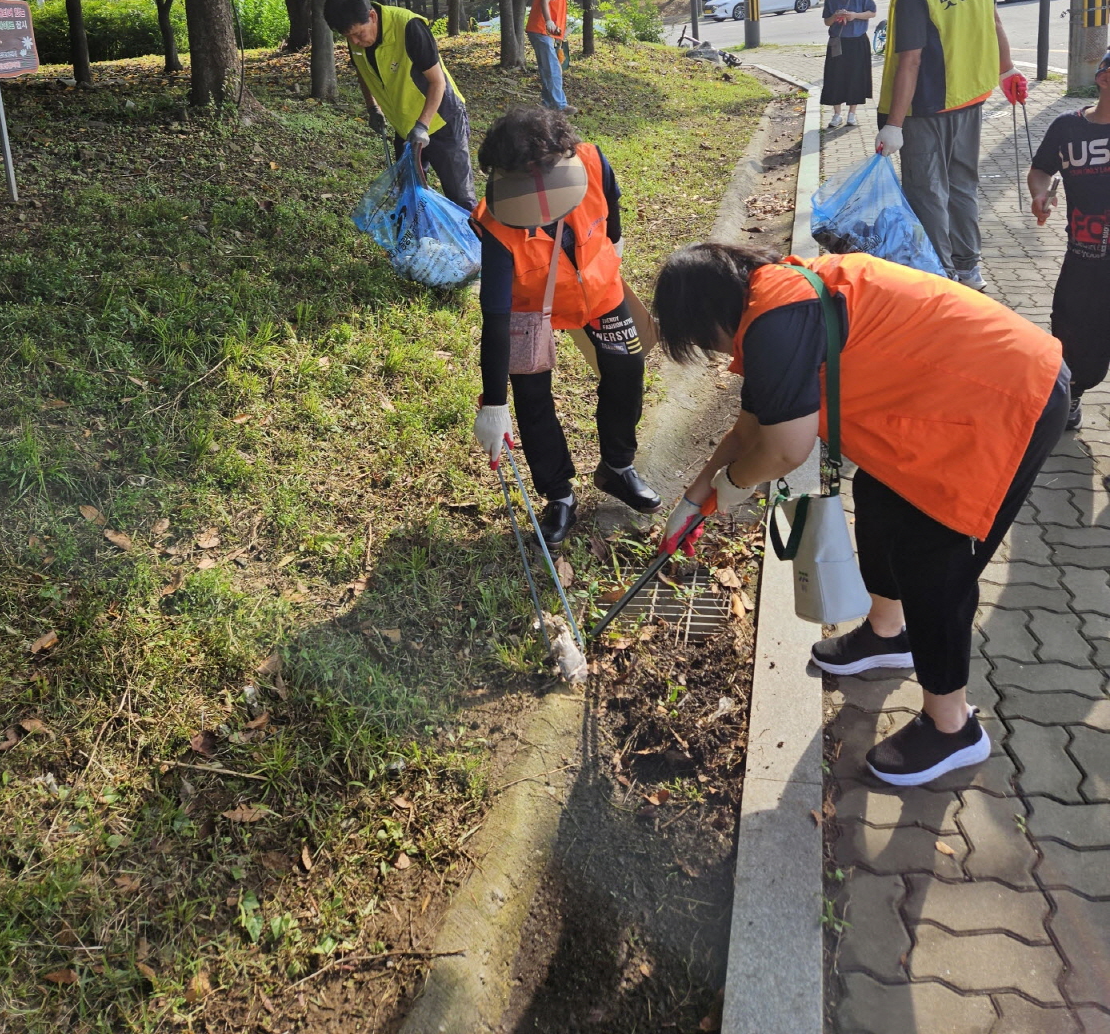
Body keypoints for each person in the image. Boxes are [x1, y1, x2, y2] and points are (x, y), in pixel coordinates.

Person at [650, 242, 1068, 787]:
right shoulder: (772, 302)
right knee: (877, 502)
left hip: (1007, 401)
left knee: (935, 566)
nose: (713, 353)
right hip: (936, 408)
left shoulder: (776, 321)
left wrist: (731, 486)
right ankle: (890, 633)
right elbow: (749, 431)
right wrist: (692, 502)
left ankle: (953, 729)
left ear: (709, 318)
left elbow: (784, 449)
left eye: (703, 342)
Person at [471, 106, 659, 547]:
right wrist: (494, 404)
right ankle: (558, 493)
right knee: (533, 399)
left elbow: (610, 201)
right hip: (528, 306)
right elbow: (495, 317)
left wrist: (615, 238)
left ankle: (617, 466)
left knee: (627, 373)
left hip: (598, 288)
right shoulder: (498, 224)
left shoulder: (591, 162)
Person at [874, 0, 1026, 289]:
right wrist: (1005, 68)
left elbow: (910, 61)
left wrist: (893, 125)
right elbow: (993, 18)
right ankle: (969, 269)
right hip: (971, 96)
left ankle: (940, 279)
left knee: (927, 193)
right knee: (962, 185)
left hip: (926, 107)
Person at [323, 0, 476, 211]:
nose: (354, 41)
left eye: (357, 34)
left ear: (372, 16)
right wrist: (372, 107)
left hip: (442, 120)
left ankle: (475, 243)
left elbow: (437, 81)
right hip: (404, 125)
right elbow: (363, 71)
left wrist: (422, 126)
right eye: (348, 36)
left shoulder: (409, 27)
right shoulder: (355, 35)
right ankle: (425, 243)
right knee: (410, 195)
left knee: (460, 196)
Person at [1028, 48, 1110, 432]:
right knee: (1072, 334)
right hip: (1084, 258)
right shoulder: (1067, 127)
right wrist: (1040, 194)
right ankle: (1071, 396)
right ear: (1104, 79)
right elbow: (1041, 170)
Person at [820, 0, 877, 128]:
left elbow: (872, 12)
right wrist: (835, 16)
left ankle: (852, 114)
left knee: (856, 77)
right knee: (834, 77)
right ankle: (837, 115)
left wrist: (854, 16)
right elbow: (826, 22)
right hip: (837, 42)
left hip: (858, 41)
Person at [526, 0, 576, 114]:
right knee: (553, 68)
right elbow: (544, 0)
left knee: (548, 68)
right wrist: (548, 22)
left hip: (546, 32)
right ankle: (559, 105)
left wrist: (559, 29)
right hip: (541, 30)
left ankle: (548, 104)